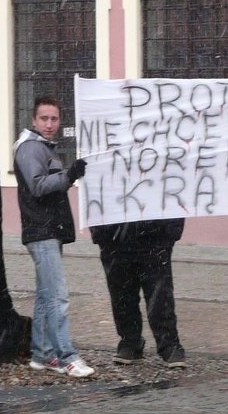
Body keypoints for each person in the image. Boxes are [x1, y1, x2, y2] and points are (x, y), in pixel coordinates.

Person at [13, 95, 94, 378]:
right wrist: (69, 175)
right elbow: (37, 186)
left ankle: (42, 354)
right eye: (44, 119)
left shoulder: (41, 147)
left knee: (46, 296)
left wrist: (68, 175)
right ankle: (67, 357)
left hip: (46, 231)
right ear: (34, 120)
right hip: (42, 231)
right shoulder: (31, 148)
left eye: (54, 119)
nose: (50, 124)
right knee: (57, 297)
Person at [90, 219, 187, 368]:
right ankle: (131, 342)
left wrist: (170, 231)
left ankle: (168, 344)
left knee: (159, 294)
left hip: (154, 234)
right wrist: (100, 233)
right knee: (121, 293)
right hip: (114, 234)